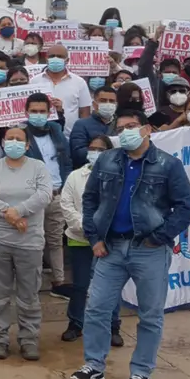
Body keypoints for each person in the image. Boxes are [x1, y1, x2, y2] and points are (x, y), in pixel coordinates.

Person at [71, 109, 190, 379]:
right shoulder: (107, 160)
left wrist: (160, 237)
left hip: (149, 250)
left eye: (132, 126)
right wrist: (94, 238)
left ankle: (141, 372)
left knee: (150, 314)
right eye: (121, 127)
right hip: (110, 248)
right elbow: (90, 200)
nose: (125, 131)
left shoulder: (168, 164)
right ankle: (94, 366)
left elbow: (186, 207)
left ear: (147, 129)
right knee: (97, 308)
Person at [0, 124, 52, 361]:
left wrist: (21, 210)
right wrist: (10, 214)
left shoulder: (38, 167)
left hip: (30, 241)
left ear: (27, 145)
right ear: (3, 143)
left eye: (18, 139)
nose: (13, 142)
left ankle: (29, 339)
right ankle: (0, 339)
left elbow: (45, 194)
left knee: (29, 295)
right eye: (9, 138)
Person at [60, 135, 123, 345]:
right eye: (91, 148)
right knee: (80, 284)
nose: (94, 152)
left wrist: (102, 230)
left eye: (100, 149)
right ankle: (75, 323)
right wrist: (87, 228)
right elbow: (67, 204)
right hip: (80, 238)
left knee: (110, 285)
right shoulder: (75, 176)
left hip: (110, 240)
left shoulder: (119, 174)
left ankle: (112, 326)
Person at [23, 93, 73, 299]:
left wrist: (65, 186)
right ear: (26, 112)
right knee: (34, 240)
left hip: (57, 193)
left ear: (48, 112)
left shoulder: (55, 129)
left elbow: (66, 159)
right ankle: (30, 284)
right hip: (35, 196)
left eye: (42, 111)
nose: (38, 115)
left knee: (55, 240)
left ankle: (58, 282)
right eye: (34, 111)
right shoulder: (21, 133)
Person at [30, 43, 92, 135]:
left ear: (67, 60)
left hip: (69, 136)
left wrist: (82, 135)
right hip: (40, 134)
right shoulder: (34, 81)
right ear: (46, 59)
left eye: (60, 56)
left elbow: (84, 113)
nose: (55, 59)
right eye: (52, 56)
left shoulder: (79, 82)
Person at [69, 86, 117, 168]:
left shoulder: (120, 125)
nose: (108, 104)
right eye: (103, 101)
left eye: (111, 101)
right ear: (94, 104)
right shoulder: (81, 124)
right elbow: (78, 154)